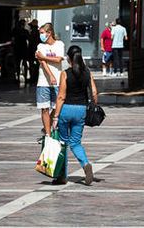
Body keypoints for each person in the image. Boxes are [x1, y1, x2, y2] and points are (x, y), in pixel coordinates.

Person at [52, 44, 100, 185]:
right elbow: (94, 92)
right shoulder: (87, 73)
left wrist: (55, 116)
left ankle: (62, 176)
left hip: (66, 109)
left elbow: (61, 96)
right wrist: (93, 105)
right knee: (75, 142)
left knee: (63, 143)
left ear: (69, 58)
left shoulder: (65, 73)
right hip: (80, 110)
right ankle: (85, 164)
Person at [34, 22, 66, 136]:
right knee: (44, 108)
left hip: (57, 81)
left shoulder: (59, 44)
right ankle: (47, 134)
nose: (41, 35)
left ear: (49, 33)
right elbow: (42, 63)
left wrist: (44, 57)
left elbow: (58, 59)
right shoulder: (40, 46)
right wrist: (50, 75)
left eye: (42, 33)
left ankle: (48, 126)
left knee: (57, 107)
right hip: (43, 81)